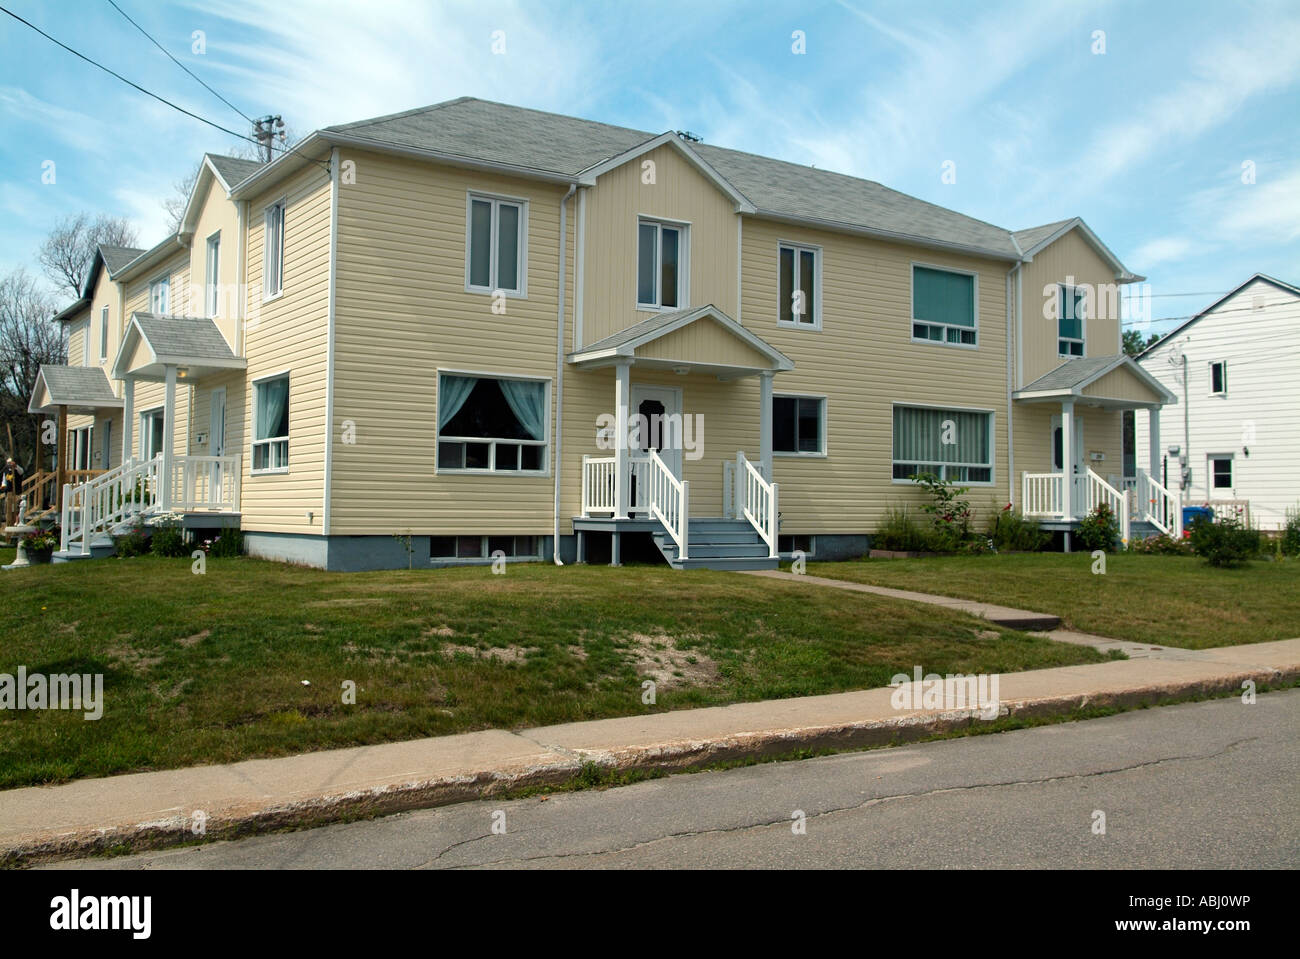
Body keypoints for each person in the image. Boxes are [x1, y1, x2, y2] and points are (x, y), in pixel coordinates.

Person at [2, 456, 23, 528]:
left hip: (16, 493)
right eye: (8, 463)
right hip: (8, 494)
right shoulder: (6, 470)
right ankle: (8, 523)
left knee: (16, 509)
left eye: (10, 463)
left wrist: (16, 466)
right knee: (8, 509)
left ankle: (16, 522)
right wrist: (3, 485)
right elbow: (4, 480)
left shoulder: (18, 470)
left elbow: (21, 471)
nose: (9, 464)